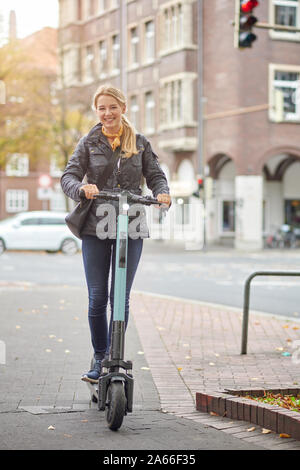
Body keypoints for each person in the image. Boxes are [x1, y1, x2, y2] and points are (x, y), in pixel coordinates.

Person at [61, 84, 171, 383]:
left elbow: (156, 176)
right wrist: (81, 188)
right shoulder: (89, 142)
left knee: (119, 297)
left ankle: (114, 355)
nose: (107, 113)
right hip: (96, 224)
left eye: (112, 107)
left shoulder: (140, 143)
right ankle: (99, 357)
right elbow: (68, 176)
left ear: (123, 108)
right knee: (98, 297)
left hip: (130, 223)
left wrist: (162, 193)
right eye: (102, 108)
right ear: (97, 112)